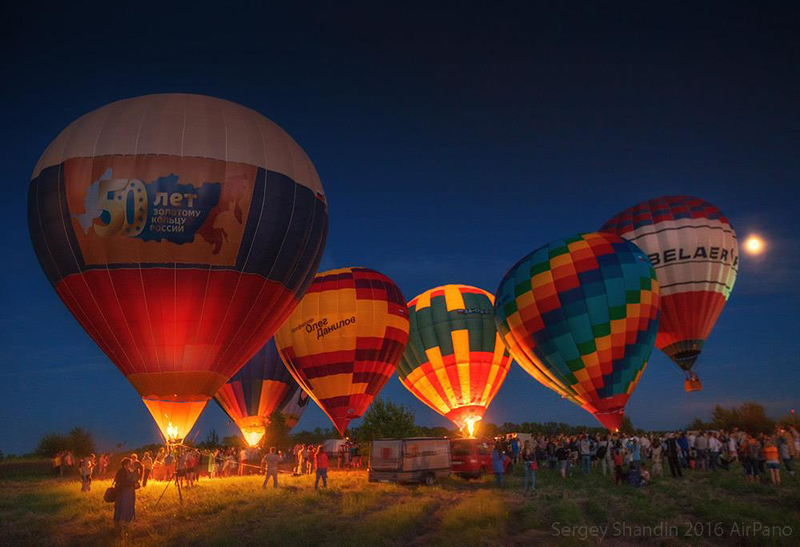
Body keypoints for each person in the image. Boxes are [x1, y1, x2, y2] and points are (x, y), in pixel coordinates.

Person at [113, 458, 138, 533]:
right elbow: (123, 482)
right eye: (129, 463)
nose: (130, 465)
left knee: (121, 506)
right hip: (121, 492)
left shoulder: (126, 471)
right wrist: (133, 484)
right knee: (121, 506)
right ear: (125, 464)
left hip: (124, 492)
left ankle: (120, 521)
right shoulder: (122, 472)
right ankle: (121, 521)